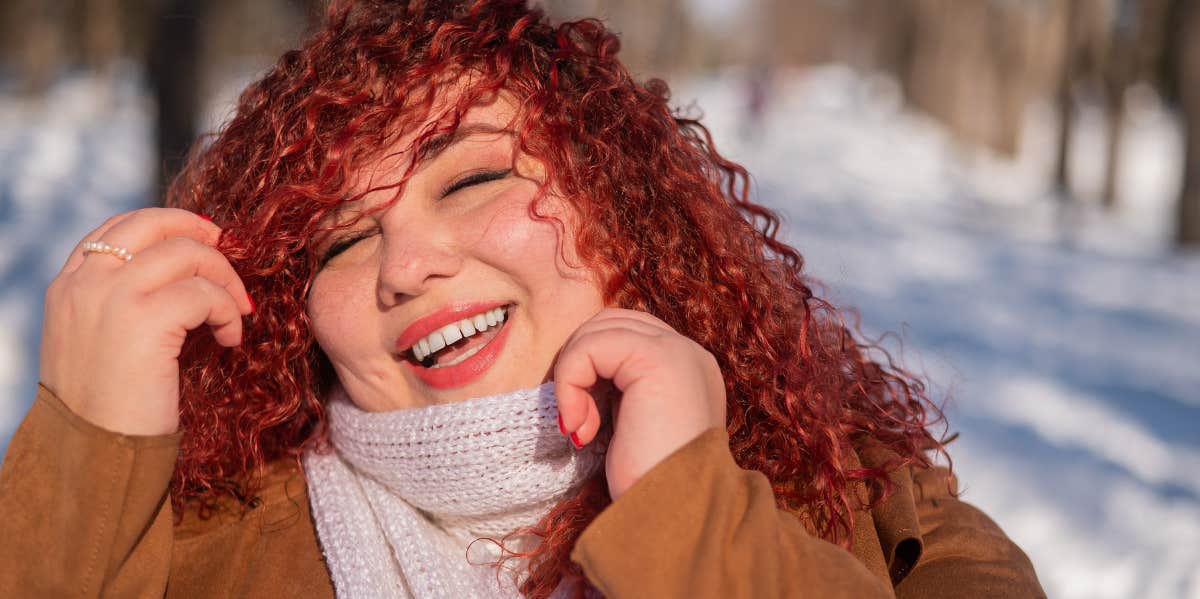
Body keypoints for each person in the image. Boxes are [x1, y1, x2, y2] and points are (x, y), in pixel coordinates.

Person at [0, 1, 1046, 597]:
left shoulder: (880, 511)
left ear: (619, 197)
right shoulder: (189, 549)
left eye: (472, 179)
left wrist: (692, 512)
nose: (403, 265)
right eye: (344, 240)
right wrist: (86, 454)